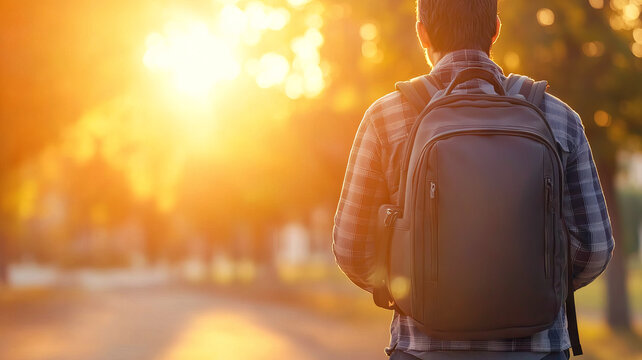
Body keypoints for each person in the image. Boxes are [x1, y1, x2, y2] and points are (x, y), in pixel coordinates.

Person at [332, 1, 615, 359]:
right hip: (538, 350)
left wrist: (411, 286)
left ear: (422, 33)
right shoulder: (558, 116)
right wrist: (534, 285)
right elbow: (594, 248)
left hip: (423, 349)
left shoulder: (385, 118)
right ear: (495, 29)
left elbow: (352, 248)